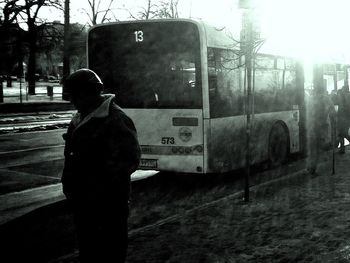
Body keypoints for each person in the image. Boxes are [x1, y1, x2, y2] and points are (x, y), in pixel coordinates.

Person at [61, 69, 141, 262]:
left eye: (76, 96)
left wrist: (98, 182)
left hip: (108, 204)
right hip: (84, 202)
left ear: (89, 93)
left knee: (109, 251)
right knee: (89, 251)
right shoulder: (80, 119)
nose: (73, 102)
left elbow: (130, 158)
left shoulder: (116, 119)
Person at [306, 86, 336, 175]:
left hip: (312, 126)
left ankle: (312, 166)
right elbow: (332, 111)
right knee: (322, 145)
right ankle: (317, 165)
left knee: (312, 147)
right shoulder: (326, 99)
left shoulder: (310, 99)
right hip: (322, 126)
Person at [336, 84, 350, 153]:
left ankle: (342, 149)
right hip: (347, 118)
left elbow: (341, 107)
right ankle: (342, 149)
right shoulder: (347, 96)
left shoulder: (344, 96)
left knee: (342, 133)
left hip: (342, 118)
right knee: (343, 133)